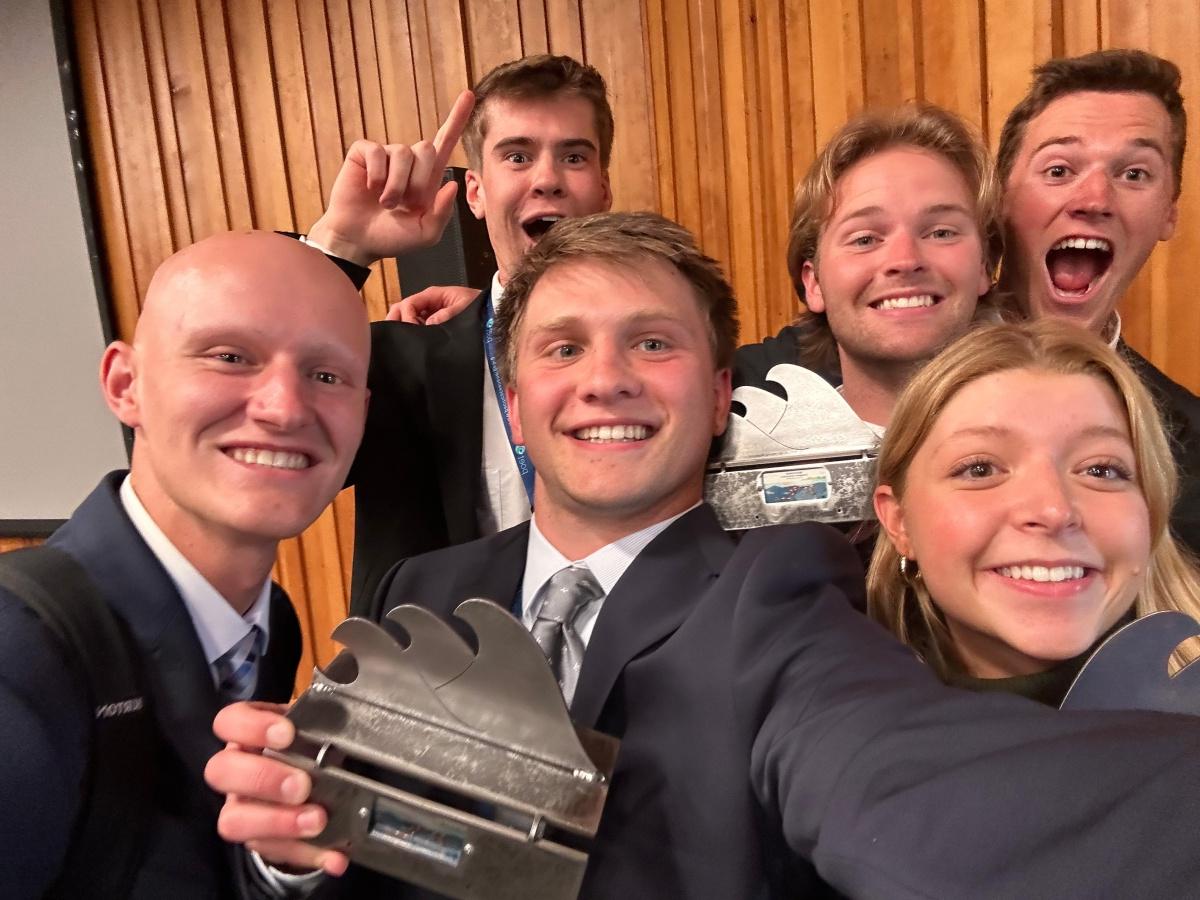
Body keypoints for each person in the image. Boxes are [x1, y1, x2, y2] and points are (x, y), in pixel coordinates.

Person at [208, 212, 1200, 900]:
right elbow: (369, 854)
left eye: (651, 345)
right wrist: (295, 850)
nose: (606, 381)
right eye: (561, 349)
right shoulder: (417, 587)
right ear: (514, 401)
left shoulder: (789, 589)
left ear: (723, 392)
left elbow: (886, 786)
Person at [0, 231, 370, 899]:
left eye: (326, 375)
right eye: (230, 357)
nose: (285, 407)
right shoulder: (18, 658)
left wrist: (283, 868)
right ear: (125, 384)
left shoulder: (265, 626)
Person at [296, 55, 615, 611]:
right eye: (517, 156)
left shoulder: (659, 366)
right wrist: (342, 246)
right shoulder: (400, 365)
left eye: (574, 156)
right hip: (436, 685)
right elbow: (271, 400)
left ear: (604, 190)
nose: (547, 178)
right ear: (475, 192)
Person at [869, 319, 1200, 705]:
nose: (1054, 510)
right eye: (981, 469)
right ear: (899, 521)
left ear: (1151, 511)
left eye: (1101, 470)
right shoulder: (818, 730)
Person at [996, 48, 1200, 554]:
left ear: (1168, 213)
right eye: (1060, 170)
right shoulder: (861, 374)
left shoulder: (1193, 447)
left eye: (1134, 174)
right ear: (999, 197)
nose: (1094, 200)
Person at [735, 103, 1001, 432]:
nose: (905, 260)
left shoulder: (1065, 443)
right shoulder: (731, 452)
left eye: (941, 233)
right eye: (865, 239)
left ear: (984, 267)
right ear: (813, 283)